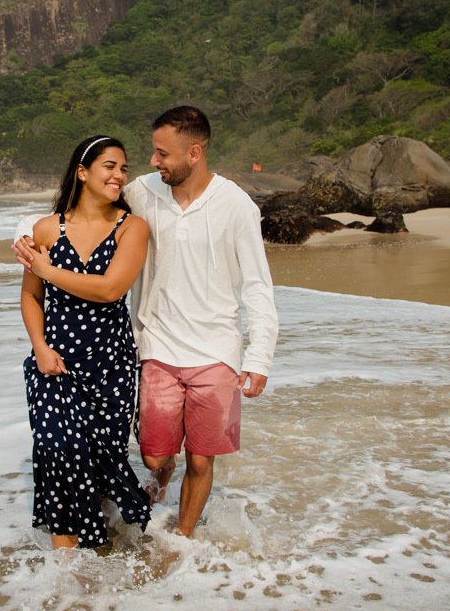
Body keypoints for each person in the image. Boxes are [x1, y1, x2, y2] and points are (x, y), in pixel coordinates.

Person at [16, 106, 277, 538]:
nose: (152, 162)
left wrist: (260, 356)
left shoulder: (237, 207)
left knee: (201, 457)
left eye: (161, 154)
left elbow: (257, 287)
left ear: (193, 153)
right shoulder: (144, 192)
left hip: (217, 351)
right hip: (154, 347)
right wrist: (22, 233)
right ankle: (153, 493)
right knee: (156, 456)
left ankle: (181, 540)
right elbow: (81, 205)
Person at [19, 135, 152, 549]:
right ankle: (65, 569)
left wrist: (47, 267)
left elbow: (110, 289)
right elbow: (31, 296)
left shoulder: (132, 227)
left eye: (124, 168)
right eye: (109, 166)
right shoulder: (46, 229)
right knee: (59, 451)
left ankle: (103, 539)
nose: (119, 175)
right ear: (82, 171)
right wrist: (40, 347)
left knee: (101, 455)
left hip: (110, 364)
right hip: (55, 361)